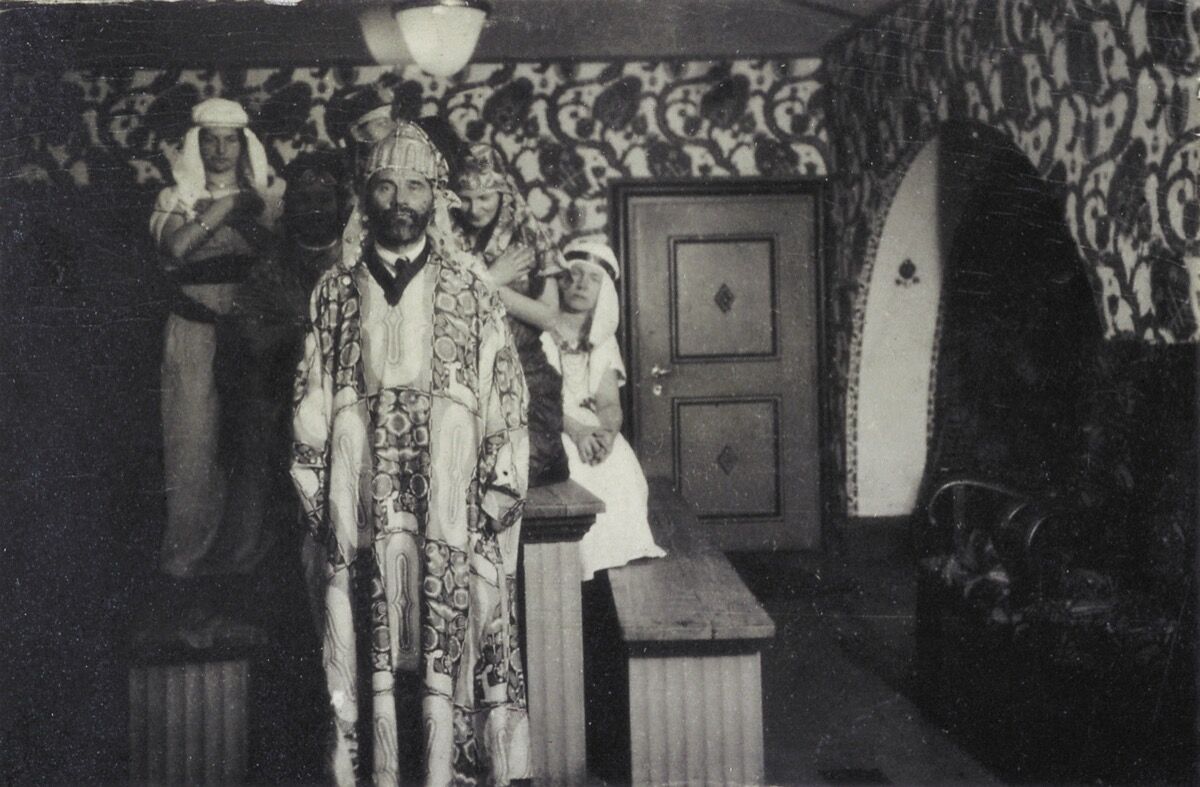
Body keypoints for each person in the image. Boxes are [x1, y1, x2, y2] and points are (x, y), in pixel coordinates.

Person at [290, 123, 531, 787]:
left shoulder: (473, 293)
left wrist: (493, 504)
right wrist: (320, 506)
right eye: (387, 185)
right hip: (360, 521)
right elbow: (310, 404)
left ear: (436, 196)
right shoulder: (333, 292)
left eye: (417, 185)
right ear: (365, 195)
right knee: (363, 662)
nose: (402, 199)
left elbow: (507, 402)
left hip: (451, 520)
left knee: (448, 662)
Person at [149, 97, 278, 587]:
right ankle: (184, 560)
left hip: (251, 337)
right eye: (211, 141)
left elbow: (279, 251)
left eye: (231, 141)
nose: (221, 150)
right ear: (196, 145)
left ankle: (241, 560)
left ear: (244, 146)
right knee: (191, 442)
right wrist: (226, 206)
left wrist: (246, 205)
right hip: (194, 331)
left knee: (250, 444)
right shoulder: (174, 198)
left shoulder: (267, 199)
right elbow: (177, 247)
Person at [234, 149, 349, 577]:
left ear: (342, 205)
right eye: (304, 199)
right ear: (288, 206)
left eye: (324, 199)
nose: (315, 209)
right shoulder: (269, 266)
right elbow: (251, 336)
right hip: (279, 402)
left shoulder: (357, 262)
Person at [542, 238, 666, 580]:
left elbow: (609, 403)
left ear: (605, 291)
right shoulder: (538, 330)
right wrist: (578, 432)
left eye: (594, 278)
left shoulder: (602, 339)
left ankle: (607, 577)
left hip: (590, 428)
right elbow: (534, 401)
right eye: (575, 274)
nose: (582, 284)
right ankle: (568, 578)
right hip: (547, 424)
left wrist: (607, 434)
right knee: (572, 475)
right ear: (560, 280)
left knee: (619, 468)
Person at [454, 143, 569, 486]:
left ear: (503, 192)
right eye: (465, 198)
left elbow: (549, 317)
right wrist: (492, 277)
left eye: (485, 198)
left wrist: (488, 285)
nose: (475, 209)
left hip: (526, 367)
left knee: (527, 468)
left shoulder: (530, 235)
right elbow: (445, 309)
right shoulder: (445, 236)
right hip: (465, 366)